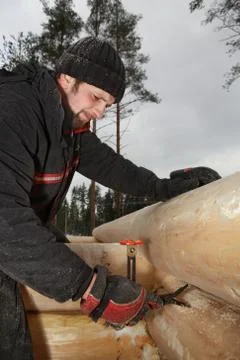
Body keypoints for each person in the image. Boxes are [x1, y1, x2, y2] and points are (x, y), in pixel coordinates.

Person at [0, 36, 220, 359]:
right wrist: (91, 288)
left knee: (58, 249)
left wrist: (163, 188)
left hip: (11, 230)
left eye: (108, 104)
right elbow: (5, 221)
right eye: (96, 97)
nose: (101, 112)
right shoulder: (15, 108)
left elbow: (113, 168)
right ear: (66, 78)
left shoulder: (68, 128)